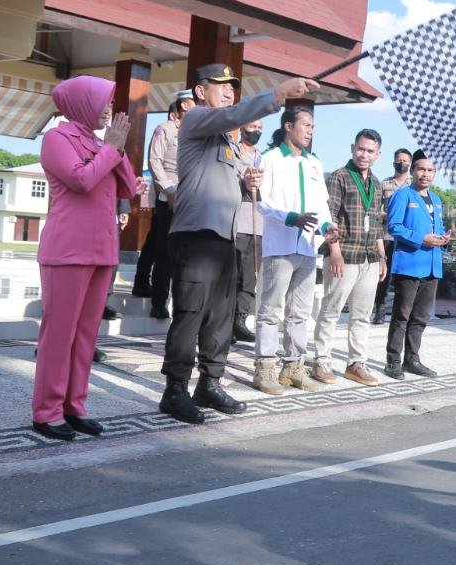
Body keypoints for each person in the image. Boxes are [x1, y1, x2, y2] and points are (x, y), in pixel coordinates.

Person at [160, 64, 318, 423]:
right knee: (190, 315)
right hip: (195, 235)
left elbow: (222, 186)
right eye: (220, 85)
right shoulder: (198, 119)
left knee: (220, 319)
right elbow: (233, 115)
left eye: (233, 86)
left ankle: (209, 383)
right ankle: (174, 390)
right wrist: (278, 94)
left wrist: (245, 185)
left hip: (223, 238)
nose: (229, 91)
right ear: (200, 91)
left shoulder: (228, 142)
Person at [32, 76, 144, 441]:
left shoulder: (102, 142)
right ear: (83, 103)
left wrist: (116, 147)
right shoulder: (56, 139)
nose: (110, 110)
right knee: (59, 334)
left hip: (102, 250)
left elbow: (127, 189)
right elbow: (81, 180)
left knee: (85, 336)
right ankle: (47, 412)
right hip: (67, 250)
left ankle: (74, 406)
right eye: (104, 102)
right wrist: (109, 149)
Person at [250, 106, 336, 394]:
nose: (310, 131)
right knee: (270, 310)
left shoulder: (314, 163)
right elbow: (260, 201)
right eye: (306, 125)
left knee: (299, 312)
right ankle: (264, 368)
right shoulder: (270, 158)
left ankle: (293, 368)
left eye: (313, 126)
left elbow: (321, 205)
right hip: (280, 246)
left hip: (308, 247)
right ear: (288, 126)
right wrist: (290, 218)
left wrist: (327, 228)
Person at [313, 129, 387, 386]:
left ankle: (356, 363)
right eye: (360, 149)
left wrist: (382, 257)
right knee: (331, 310)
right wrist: (334, 252)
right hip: (343, 256)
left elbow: (376, 223)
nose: (364, 155)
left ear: (378, 155)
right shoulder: (339, 177)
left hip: (368, 258)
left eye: (370, 151)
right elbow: (329, 217)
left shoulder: (377, 185)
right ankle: (321, 360)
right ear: (352, 148)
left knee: (361, 315)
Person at [385, 150, 450, 379]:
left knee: (421, 317)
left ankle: (412, 359)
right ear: (413, 170)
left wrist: (442, 237)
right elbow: (394, 227)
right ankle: (393, 360)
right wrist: (421, 238)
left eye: (430, 170)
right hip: (409, 264)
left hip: (432, 264)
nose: (426, 174)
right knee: (401, 315)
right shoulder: (403, 195)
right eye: (421, 169)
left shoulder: (437, 199)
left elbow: (437, 228)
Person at [134, 91, 194, 319]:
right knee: (164, 251)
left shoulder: (195, 132)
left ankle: (150, 286)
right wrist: (168, 190)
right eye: (191, 105)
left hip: (190, 195)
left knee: (166, 246)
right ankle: (158, 301)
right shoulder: (166, 129)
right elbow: (155, 160)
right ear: (182, 107)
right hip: (168, 193)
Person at [230, 119, 263, 344]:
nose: (256, 131)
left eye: (260, 128)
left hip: (258, 220)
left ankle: (240, 319)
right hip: (236, 215)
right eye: (253, 127)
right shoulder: (233, 151)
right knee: (232, 272)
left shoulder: (264, 157)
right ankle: (223, 320)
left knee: (250, 274)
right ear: (242, 128)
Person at [373, 148, 412, 324]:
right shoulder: (384, 184)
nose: (401, 163)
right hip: (387, 235)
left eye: (405, 160)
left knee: (403, 277)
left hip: (407, 237)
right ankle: (379, 311)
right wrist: (385, 215)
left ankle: (401, 313)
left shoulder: (414, 185)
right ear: (393, 161)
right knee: (383, 276)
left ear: (410, 163)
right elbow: (375, 209)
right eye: (398, 160)